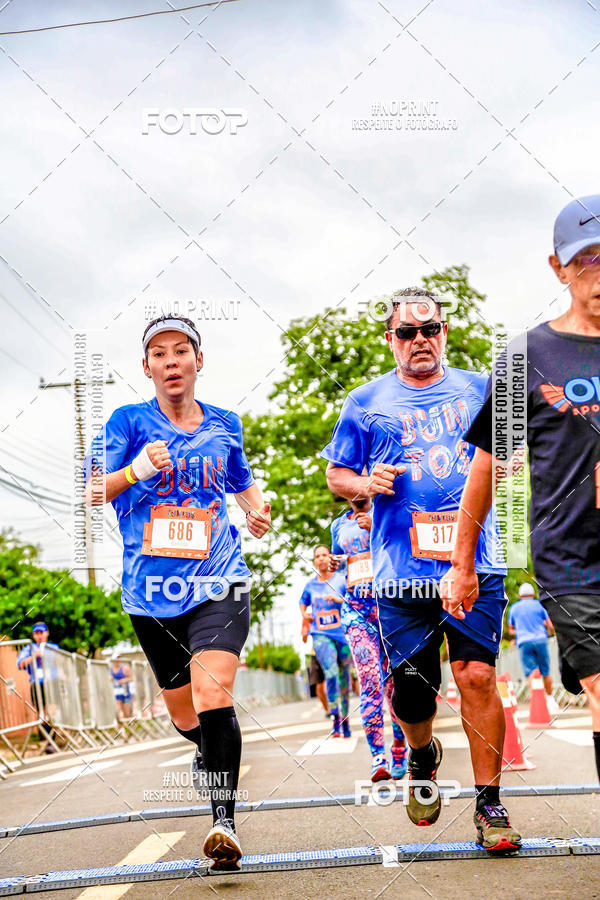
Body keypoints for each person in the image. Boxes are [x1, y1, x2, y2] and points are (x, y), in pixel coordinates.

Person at [322, 288, 521, 852]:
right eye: (408, 334)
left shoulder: (480, 388)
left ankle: (490, 805)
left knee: (477, 675)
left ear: (445, 332)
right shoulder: (364, 402)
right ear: (391, 340)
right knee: (412, 689)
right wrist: (362, 484)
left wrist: (509, 462)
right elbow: (338, 473)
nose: (420, 342)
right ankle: (421, 752)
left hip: (475, 557)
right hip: (399, 568)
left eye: (430, 330)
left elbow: (511, 450)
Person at [85, 314, 271, 870]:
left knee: (214, 693)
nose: (171, 361)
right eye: (159, 354)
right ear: (147, 367)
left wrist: (256, 511)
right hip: (150, 592)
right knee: (187, 714)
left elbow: (240, 481)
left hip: (219, 579)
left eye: (181, 351)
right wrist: (137, 468)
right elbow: (94, 488)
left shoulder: (225, 424)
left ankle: (223, 825)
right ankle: (206, 750)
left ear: (198, 361)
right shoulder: (126, 422)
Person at [441, 194, 600, 783]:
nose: (598, 273)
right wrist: (463, 563)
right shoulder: (524, 358)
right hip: (571, 556)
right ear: (558, 268)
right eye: (586, 259)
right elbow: (486, 468)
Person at [330, 498, 407, 781]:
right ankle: (378, 757)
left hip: (390, 608)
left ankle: (400, 745)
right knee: (370, 680)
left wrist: (377, 527)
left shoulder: (389, 511)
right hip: (356, 612)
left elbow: (405, 548)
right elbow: (341, 565)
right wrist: (335, 569)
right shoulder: (339, 524)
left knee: (394, 685)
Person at [299, 545, 353, 738]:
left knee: (344, 677)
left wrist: (340, 600)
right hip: (320, 634)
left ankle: (345, 720)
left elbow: (354, 599)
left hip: (343, 633)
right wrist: (305, 614)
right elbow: (302, 602)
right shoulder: (311, 585)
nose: (321, 559)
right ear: (314, 561)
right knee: (330, 674)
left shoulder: (341, 580)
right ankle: (335, 718)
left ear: (330, 558)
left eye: (324, 555)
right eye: (317, 556)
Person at [507, 584, 558, 712]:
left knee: (531, 672)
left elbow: (511, 630)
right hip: (541, 640)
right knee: (545, 671)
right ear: (533, 594)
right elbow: (549, 624)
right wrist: (551, 632)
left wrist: (520, 632)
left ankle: (538, 701)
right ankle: (550, 700)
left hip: (524, 642)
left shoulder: (514, 608)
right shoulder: (539, 605)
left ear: (519, 595)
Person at [17, 623, 60, 729]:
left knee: (51, 712)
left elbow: (60, 662)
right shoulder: (29, 649)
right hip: (37, 684)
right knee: (42, 715)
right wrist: (34, 656)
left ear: (47, 633)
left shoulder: (53, 647)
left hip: (52, 682)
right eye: (37, 633)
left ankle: (51, 739)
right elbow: (20, 664)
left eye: (41, 633)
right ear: (33, 635)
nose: (39, 636)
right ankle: (47, 739)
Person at [110, 654, 134, 719]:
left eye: (119, 658)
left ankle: (128, 727)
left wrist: (124, 680)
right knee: (118, 712)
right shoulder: (110, 670)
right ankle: (121, 728)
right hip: (116, 694)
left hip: (125, 693)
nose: (117, 661)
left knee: (127, 714)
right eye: (116, 659)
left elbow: (132, 678)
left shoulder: (125, 668)